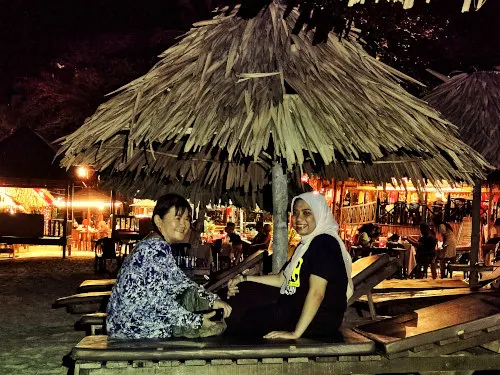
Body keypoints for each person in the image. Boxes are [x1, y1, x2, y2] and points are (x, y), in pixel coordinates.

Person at [226, 192, 353, 341]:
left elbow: (317, 293)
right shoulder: (306, 245)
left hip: (315, 322)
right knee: (242, 292)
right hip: (293, 309)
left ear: (319, 214)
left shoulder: (324, 243)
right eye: (295, 213)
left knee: (246, 317)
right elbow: (282, 278)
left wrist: (295, 333)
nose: (299, 219)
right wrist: (244, 279)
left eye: (307, 213)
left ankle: (235, 352)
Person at [106, 193, 232, 339]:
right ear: (158, 220)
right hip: (135, 332)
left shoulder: (155, 244)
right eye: (177, 218)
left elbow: (180, 283)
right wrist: (196, 321)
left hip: (127, 327)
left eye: (186, 219)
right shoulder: (154, 248)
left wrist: (211, 300)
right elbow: (158, 302)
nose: (184, 225)